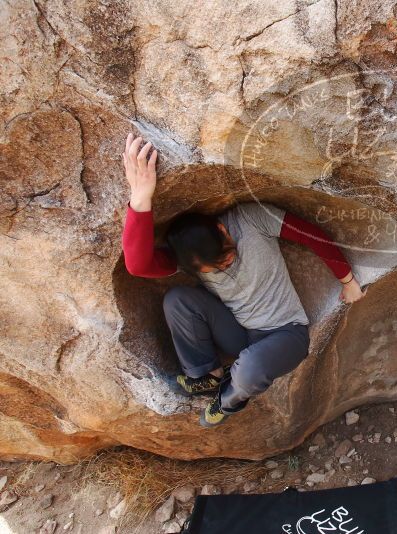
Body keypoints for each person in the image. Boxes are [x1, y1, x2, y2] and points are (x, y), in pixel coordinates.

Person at [120, 134, 366, 427]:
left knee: (250, 368)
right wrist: (140, 197)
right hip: (239, 331)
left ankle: (229, 399)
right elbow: (138, 265)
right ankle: (207, 375)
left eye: (225, 257)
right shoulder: (187, 258)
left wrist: (348, 281)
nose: (224, 266)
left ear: (222, 230)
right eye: (213, 269)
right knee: (177, 300)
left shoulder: (250, 220)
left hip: (285, 335)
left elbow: (310, 235)